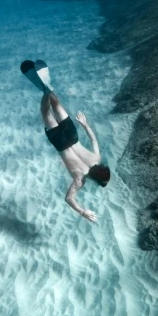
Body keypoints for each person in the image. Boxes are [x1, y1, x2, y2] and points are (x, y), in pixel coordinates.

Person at [40, 91, 111, 222]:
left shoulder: (96, 158)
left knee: (56, 105)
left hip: (72, 136)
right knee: (46, 113)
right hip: (60, 143)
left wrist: (85, 124)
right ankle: (45, 91)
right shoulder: (79, 180)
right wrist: (82, 212)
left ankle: (48, 89)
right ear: (95, 180)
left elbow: (93, 140)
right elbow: (68, 198)